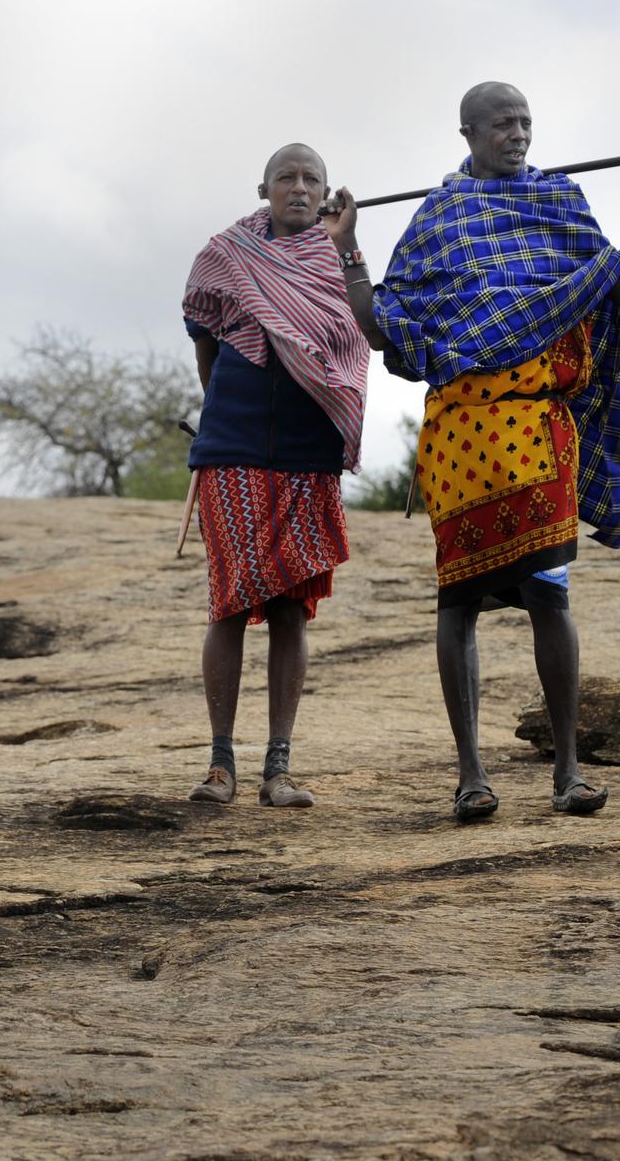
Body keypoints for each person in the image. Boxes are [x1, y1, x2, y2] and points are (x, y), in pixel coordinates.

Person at [348, 81, 620, 822]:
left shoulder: (559, 203)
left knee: (549, 594)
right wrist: (347, 249)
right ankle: (471, 777)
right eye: (502, 124)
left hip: (538, 434)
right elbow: (382, 327)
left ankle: (567, 772)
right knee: (458, 600)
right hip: (462, 440)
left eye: (526, 121)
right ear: (467, 133)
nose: (518, 133)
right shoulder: (440, 218)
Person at [178, 143, 371, 807]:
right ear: (262, 188)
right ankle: (220, 765)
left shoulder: (340, 256)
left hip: (308, 448)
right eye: (285, 177)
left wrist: (345, 247)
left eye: (310, 178)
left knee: (290, 606)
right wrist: (220, 413)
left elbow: (363, 330)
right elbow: (203, 334)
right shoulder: (226, 255)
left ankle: (278, 769)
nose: (297, 186)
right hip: (231, 441)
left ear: (326, 191)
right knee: (229, 601)